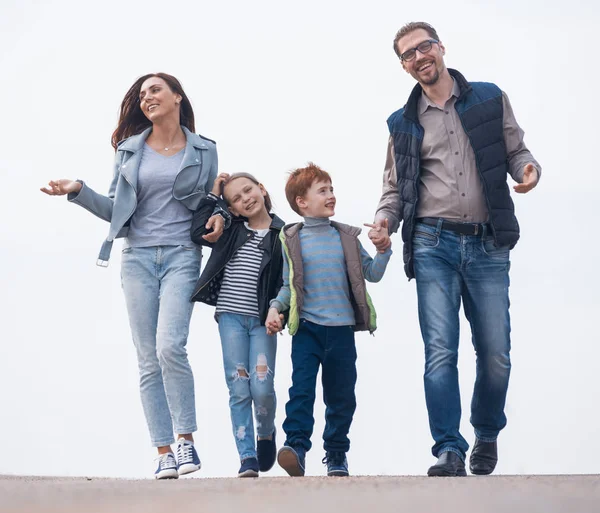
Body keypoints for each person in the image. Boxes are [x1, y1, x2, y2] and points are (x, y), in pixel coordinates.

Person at [370, 22, 541, 477]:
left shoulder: (488, 97)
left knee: (496, 351)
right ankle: (448, 447)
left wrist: (528, 171)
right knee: (440, 351)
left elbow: (517, 151)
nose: (419, 57)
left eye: (424, 46)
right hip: (432, 244)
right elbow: (394, 189)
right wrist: (385, 222)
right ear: (404, 66)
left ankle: (486, 433)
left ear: (440, 48)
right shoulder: (401, 123)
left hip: (488, 244)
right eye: (408, 54)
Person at [40, 73, 227, 479]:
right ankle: (163, 452)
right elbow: (116, 210)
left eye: (155, 90)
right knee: (147, 360)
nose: (147, 98)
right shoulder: (128, 151)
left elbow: (212, 203)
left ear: (177, 96)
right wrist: (78, 190)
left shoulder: (204, 149)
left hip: (182, 254)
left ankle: (185, 441)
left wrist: (218, 214)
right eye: (142, 94)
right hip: (137, 258)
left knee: (169, 347)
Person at [266, 163, 392, 477]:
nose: (331, 195)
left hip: (341, 333)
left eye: (331, 189)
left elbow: (372, 275)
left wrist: (384, 249)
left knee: (341, 397)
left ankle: (336, 454)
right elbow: (287, 285)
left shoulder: (347, 237)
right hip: (307, 330)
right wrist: (274, 309)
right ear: (302, 203)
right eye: (323, 190)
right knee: (302, 391)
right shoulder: (291, 238)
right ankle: (295, 447)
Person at [190, 172, 284, 478]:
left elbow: (290, 281)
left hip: (261, 321)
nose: (246, 198)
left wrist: (278, 310)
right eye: (236, 198)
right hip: (230, 318)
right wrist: (214, 193)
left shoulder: (284, 234)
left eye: (248, 190)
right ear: (232, 208)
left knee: (262, 387)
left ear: (262, 188)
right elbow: (197, 231)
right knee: (238, 387)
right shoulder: (230, 229)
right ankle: (247, 457)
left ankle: (265, 432)